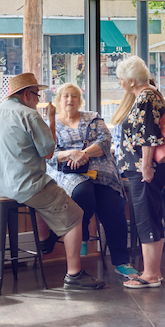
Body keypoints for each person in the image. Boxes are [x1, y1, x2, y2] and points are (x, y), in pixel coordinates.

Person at [0, 72, 104, 291]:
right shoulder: (30, 115)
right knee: (76, 215)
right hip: (25, 185)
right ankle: (74, 274)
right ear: (26, 94)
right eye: (37, 94)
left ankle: (44, 239)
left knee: (48, 191)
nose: (39, 99)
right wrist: (50, 119)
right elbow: (48, 152)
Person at [43, 83, 137, 281]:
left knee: (114, 205)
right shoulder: (52, 124)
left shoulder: (92, 117)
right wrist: (71, 154)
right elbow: (49, 155)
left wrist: (82, 154)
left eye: (74, 96)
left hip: (101, 170)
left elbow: (105, 141)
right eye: (66, 96)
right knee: (82, 192)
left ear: (80, 100)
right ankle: (83, 233)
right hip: (69, 173)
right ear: (59, 100)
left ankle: (121, 262)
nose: (70, 100)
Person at [111, 55, 165, 289]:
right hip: (147, 168)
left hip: (144, 169)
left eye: (121, 80)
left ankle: (149, 274)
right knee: (153, 218)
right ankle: (154, 271)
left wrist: (146, 167)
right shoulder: (150, 94)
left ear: (132, 81)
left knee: (147, 219)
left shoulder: (145, 98)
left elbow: (148, 136)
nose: (120, 84)